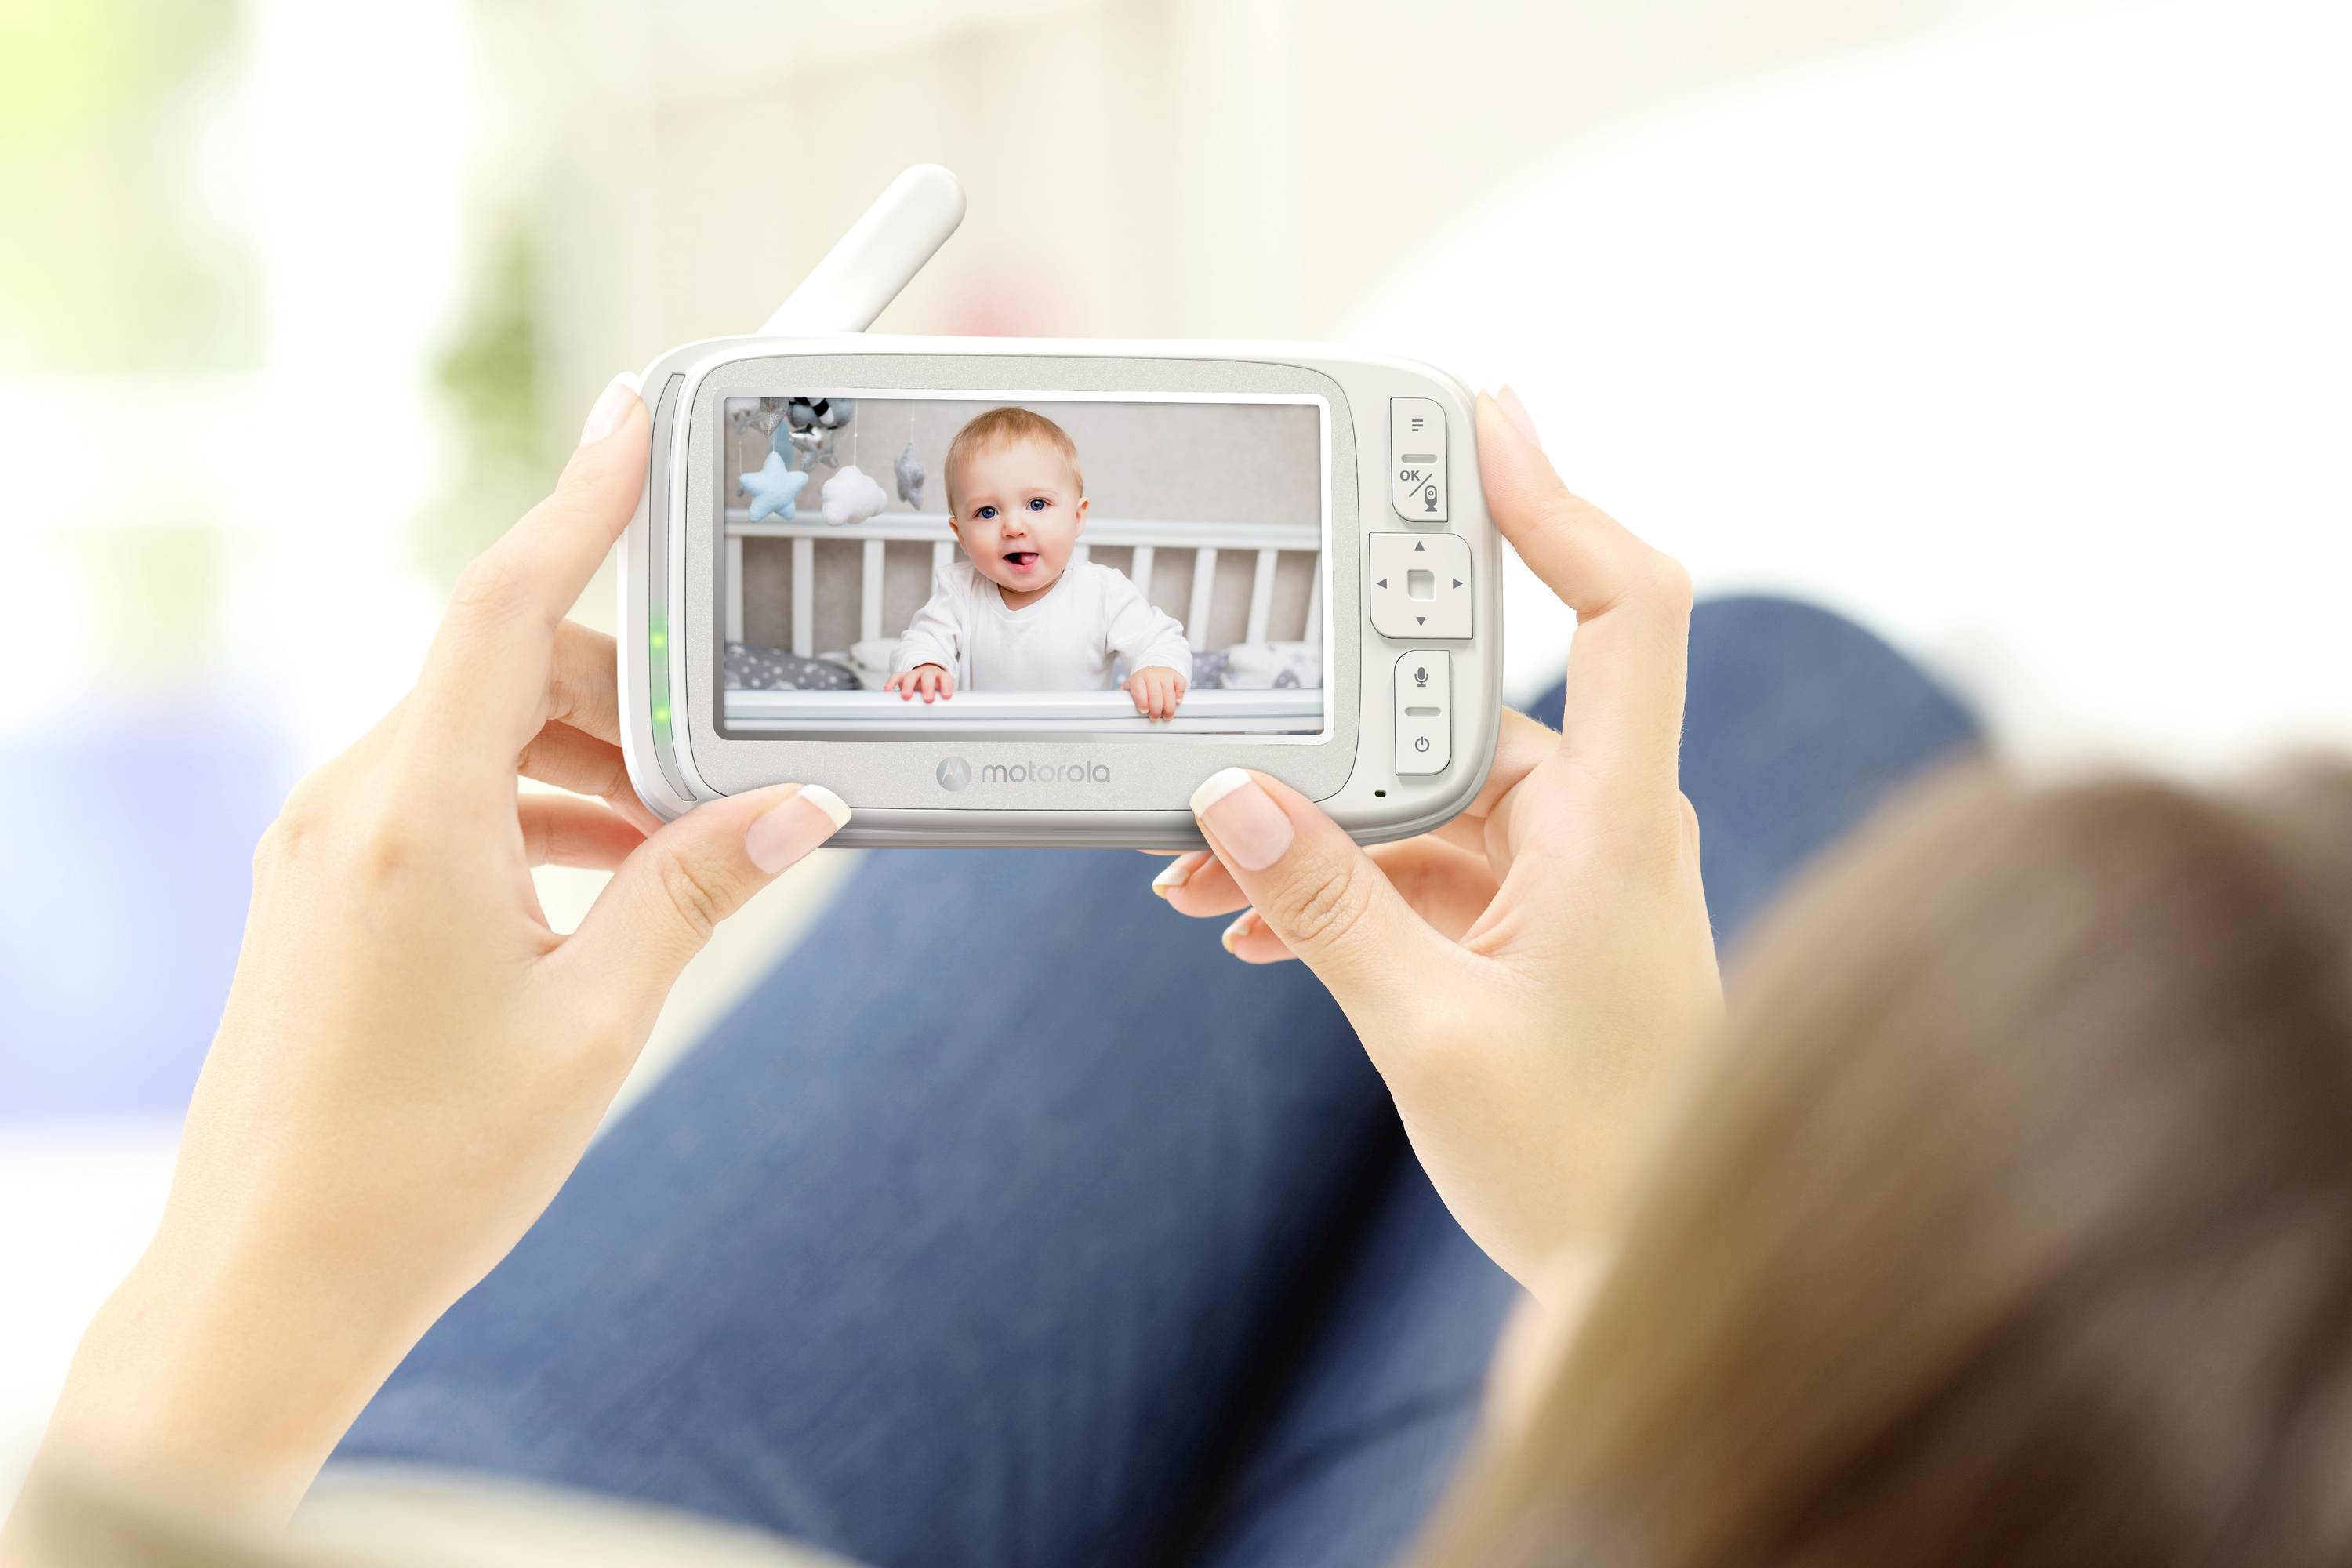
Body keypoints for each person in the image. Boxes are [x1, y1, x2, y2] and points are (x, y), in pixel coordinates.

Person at [13, 374, 2343, 1567]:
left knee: (1783, 697)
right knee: (1781, 687)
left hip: (538, 1515)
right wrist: (1657, 1240)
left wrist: (229, 1324)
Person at [884, 406, 1192, 719]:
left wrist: (1157, 669)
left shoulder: (1103, 591)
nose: (1014, 527)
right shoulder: (960, 591)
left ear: (1076, 517)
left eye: (1037, 504)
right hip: (983, 754)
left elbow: (1161, 640)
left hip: (1079, 759)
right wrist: (926, 665)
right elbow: (922, 640)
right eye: (987, 512)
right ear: (961, 535)